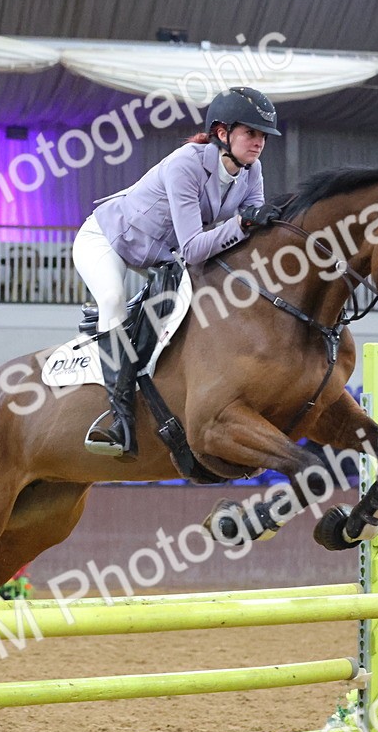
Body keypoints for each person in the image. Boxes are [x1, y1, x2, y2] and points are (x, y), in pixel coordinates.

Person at [73, 86, 283, 458]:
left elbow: (249, 230)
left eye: (263, 136)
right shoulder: (185, 164)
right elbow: (194, 247)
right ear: (222, 133)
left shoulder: (252, 172)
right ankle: (116, 416)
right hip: (108, 240)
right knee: (112, 300)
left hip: (161, 254)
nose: (259, 143)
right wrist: (243, 222)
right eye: (251, 133)